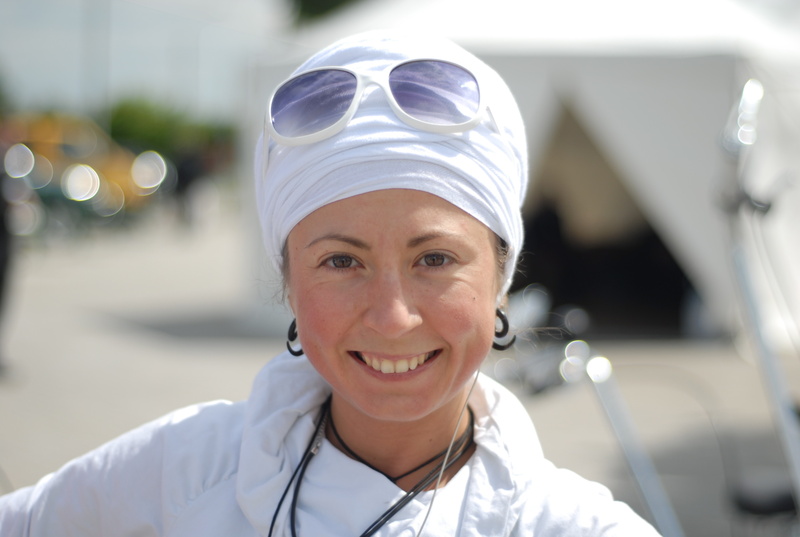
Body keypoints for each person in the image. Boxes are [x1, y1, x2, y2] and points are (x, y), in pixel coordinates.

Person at [0, 30, 662, 536]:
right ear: (289, 282)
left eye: (435, 258)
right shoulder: (184, 472)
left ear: (501, 278)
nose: (392, 316)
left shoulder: (572, 525)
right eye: (342, 262)